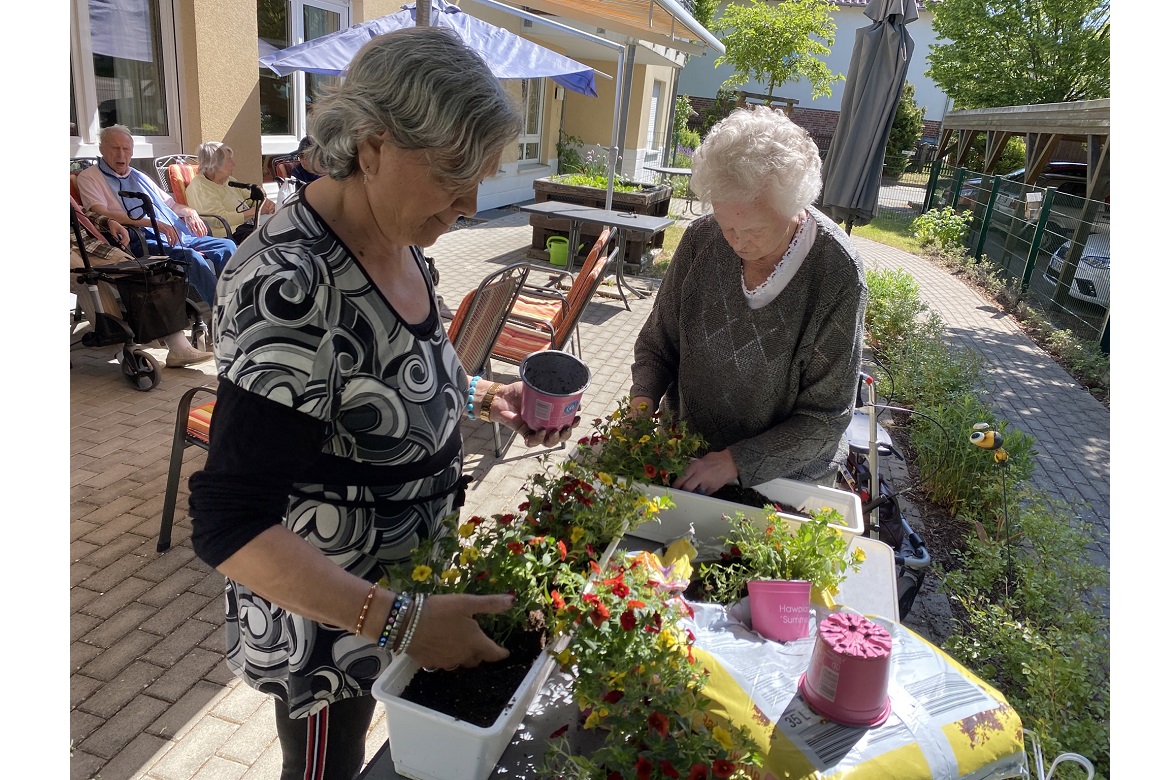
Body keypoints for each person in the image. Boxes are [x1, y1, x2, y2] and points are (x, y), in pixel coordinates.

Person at [187, 27, 578, 780]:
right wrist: (398, 622)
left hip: (398, 598)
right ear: (371, 148)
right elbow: (229, 520)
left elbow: (404, 370)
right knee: (325, 769)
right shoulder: (292, 285)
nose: (469, 204)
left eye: (483, 177)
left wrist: (483, 394)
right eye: (453, 175)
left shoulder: (398, 239)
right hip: (334, 617)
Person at [629, 106, 867, 496]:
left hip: (783, 481)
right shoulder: (700, 241)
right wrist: (641, 406)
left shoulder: (835, 272)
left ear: (793, 208)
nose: (737, 241)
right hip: (684, 458)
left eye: (754, 228)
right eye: (727, 225)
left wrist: (734, 461)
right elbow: (658, 344)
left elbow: (825, 417)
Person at [75, 125, 236, 308]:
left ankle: (236, 300)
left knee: (226, 246)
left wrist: (190, 212)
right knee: (192, 257)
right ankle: (222, 313)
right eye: (115, 148)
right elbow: (99, 212)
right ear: (102, 148)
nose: (121, 154)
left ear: (132, 151)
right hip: (139, 241)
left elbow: (171, 204)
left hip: (174, 234)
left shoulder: (138, 176)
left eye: (126, 148)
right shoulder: (90, 177)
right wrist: (153, 223)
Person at [70, 196, 212, 367]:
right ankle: (125, 352)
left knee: (141, 271)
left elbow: (80, 212)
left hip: (91, 246)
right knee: (90, 280)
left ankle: (178, 346)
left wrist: (109, 221)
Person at [184, 141, 276, 244]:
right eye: (229, 160)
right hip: (228, 234)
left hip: (248, 226)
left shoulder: (228, 180)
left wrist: (265, 204)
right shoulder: (200, 187)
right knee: (270, 240)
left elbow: (250, 198)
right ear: (215, 164)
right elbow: (218, 220)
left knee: (283, 230)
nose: (233, 163)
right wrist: (254, 211)